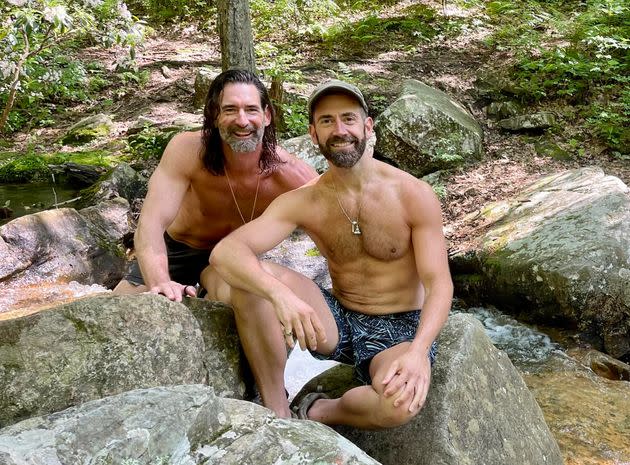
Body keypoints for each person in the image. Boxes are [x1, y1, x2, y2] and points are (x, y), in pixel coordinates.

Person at [200, 80, 453, 429]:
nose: (339, 130)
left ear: (367, 126)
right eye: (326, 121)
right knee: (250, 279)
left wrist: (419, 351)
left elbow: (439, 283)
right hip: (337, 319)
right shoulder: (306, 200)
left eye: (348, 118)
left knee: (399, 404)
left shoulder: (413, 195)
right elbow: (227, 252)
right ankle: (277, 409)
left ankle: (317, 410)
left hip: (400, 327)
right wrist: (280, 296)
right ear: (313, 134)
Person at [112, 69, 317, 301]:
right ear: (215, 115)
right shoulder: (187, 151)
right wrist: (160, 283)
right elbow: (151, 223)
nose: (242, 121)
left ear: (267, 116)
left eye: (251, 110)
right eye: (230, 110)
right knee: (122, 306)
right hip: (176, 251)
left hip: (232, 257)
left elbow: (334, 219)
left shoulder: (290, 173)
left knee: (240, 304)